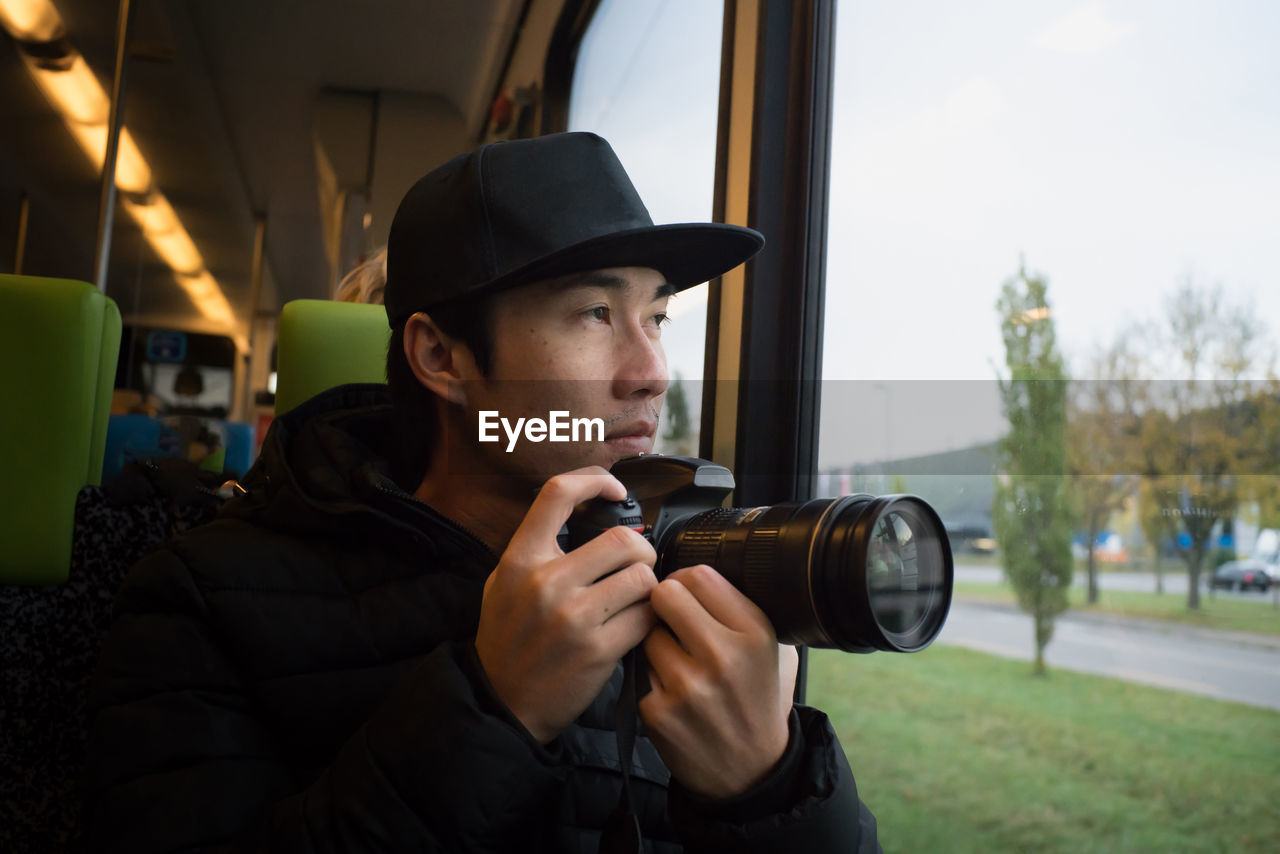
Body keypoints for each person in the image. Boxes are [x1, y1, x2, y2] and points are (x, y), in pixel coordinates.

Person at [82, 132, 881, 853]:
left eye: (658, 318)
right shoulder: (198, 600)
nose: (651, 374)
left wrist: (771, 793)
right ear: (441, 357)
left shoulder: (680, 589)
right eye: (596, 314)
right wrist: (493, 709)